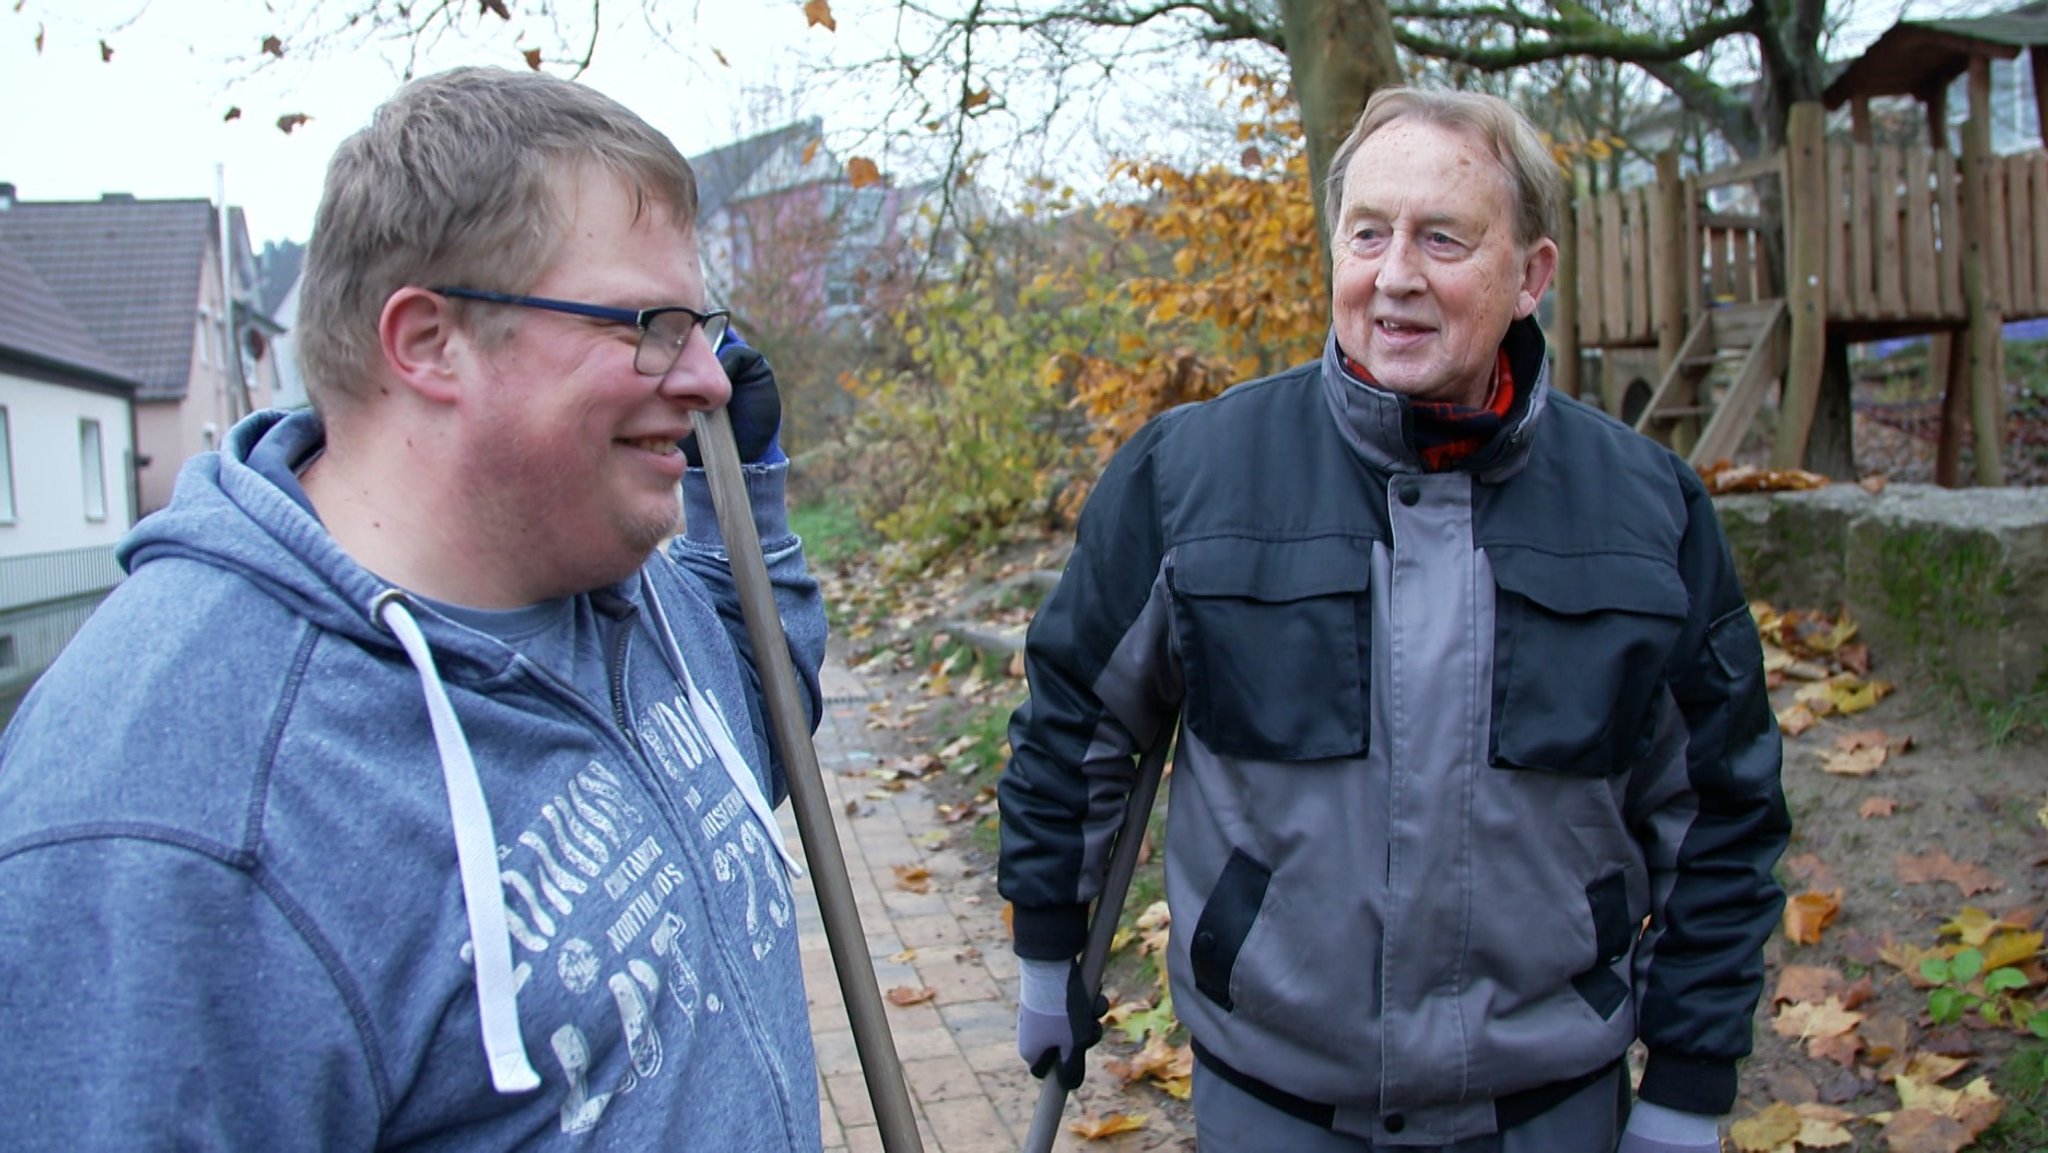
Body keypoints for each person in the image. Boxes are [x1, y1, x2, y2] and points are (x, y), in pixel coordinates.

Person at [0, 67, 824, 1150]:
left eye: (702, 327)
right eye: (648, 323)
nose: (709, 379)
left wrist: (742, 504)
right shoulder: (172, 819)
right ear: (428, 341)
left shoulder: (612, 579)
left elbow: (758, 733)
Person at [1000, 86, 1790, 1152]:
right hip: (1271, 1100)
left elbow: (1723, 811)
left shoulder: (1645, 514)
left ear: (1530, 275)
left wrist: (1689, 1081)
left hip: (1546, 1105)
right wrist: (1049, 950)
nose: (1395, 275)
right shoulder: (1191, 480)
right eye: (1366, 232)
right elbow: (1073, 724)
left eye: (1443, 237)